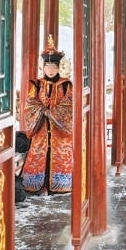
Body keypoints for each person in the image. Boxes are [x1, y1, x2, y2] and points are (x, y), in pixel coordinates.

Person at [21, 35, 74, 194]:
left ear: (58, 68)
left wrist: (52, 113)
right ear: (43, 68)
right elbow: (30, 104)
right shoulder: (36, 85)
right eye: (47, 67)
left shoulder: (66, 85)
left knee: (60, 155)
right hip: (41, 131)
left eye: (53, 67)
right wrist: (42, 111)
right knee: (38, 154)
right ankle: (36, 184)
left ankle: (59, 185)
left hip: (60, 134)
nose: (50, 70)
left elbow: (69, 106)